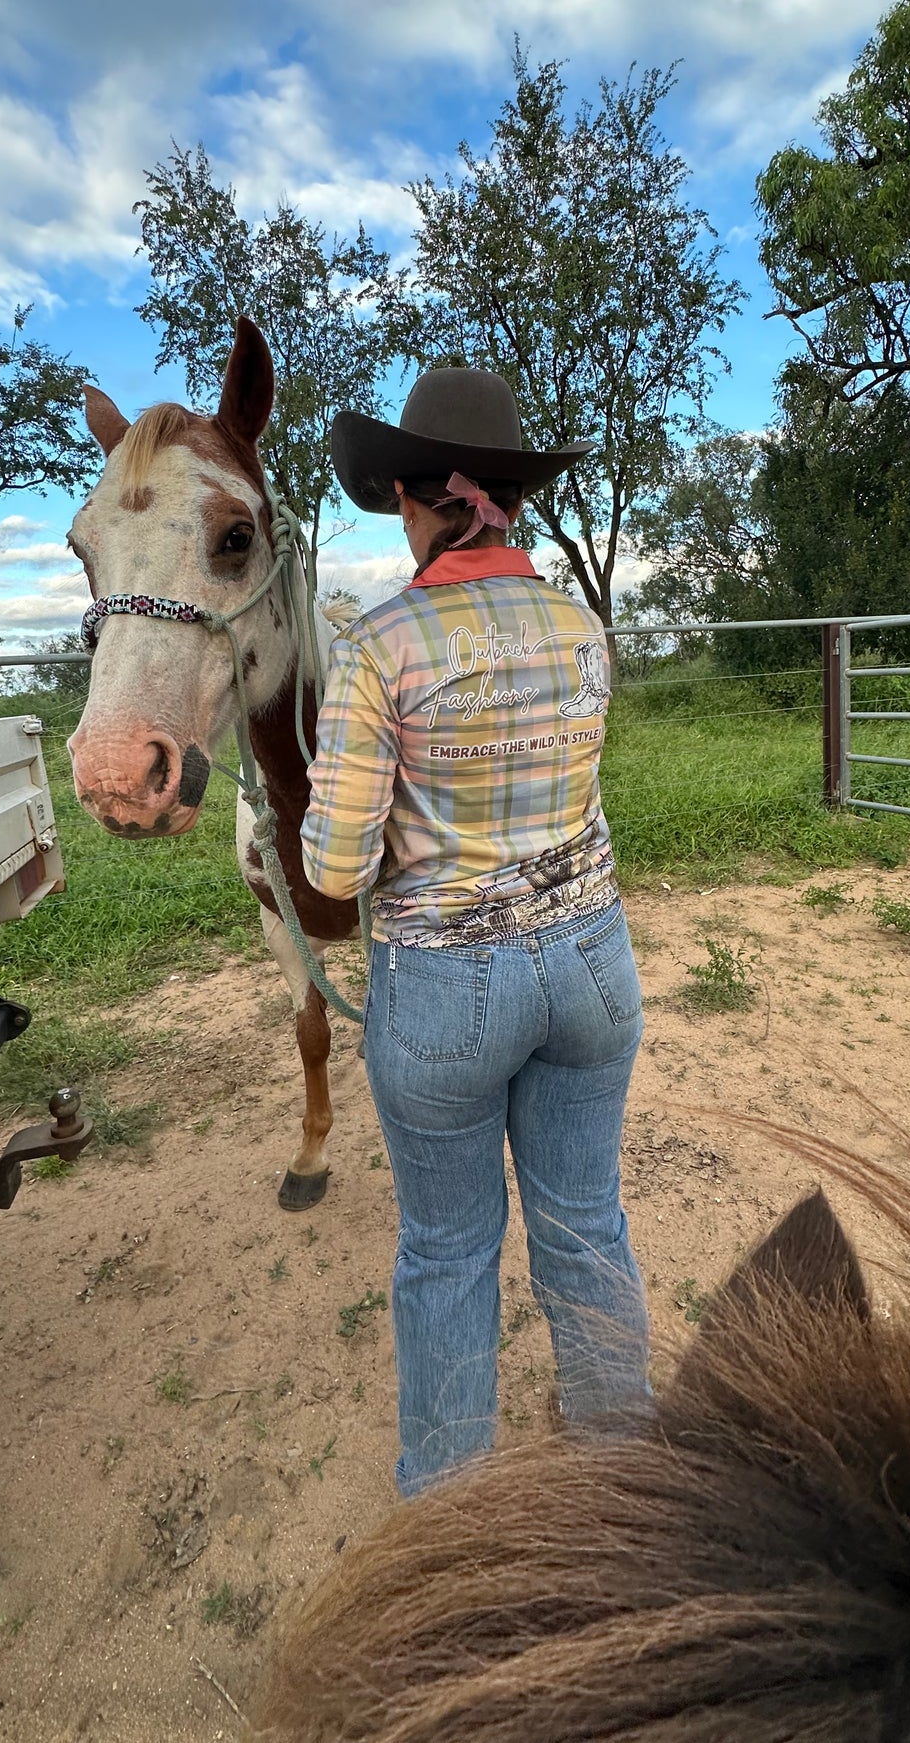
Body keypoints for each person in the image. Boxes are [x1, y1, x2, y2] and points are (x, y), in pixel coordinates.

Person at [300, 366, 650, 1496]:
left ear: (414, 499)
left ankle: (450, 1524)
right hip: (591, 959)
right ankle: (629, 1481)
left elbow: (334, 869)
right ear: (510, 501)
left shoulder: (377, 644)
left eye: (399, 503)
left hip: (447, 985)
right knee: (585, 1222)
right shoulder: (581, 626)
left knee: (448, 1250)